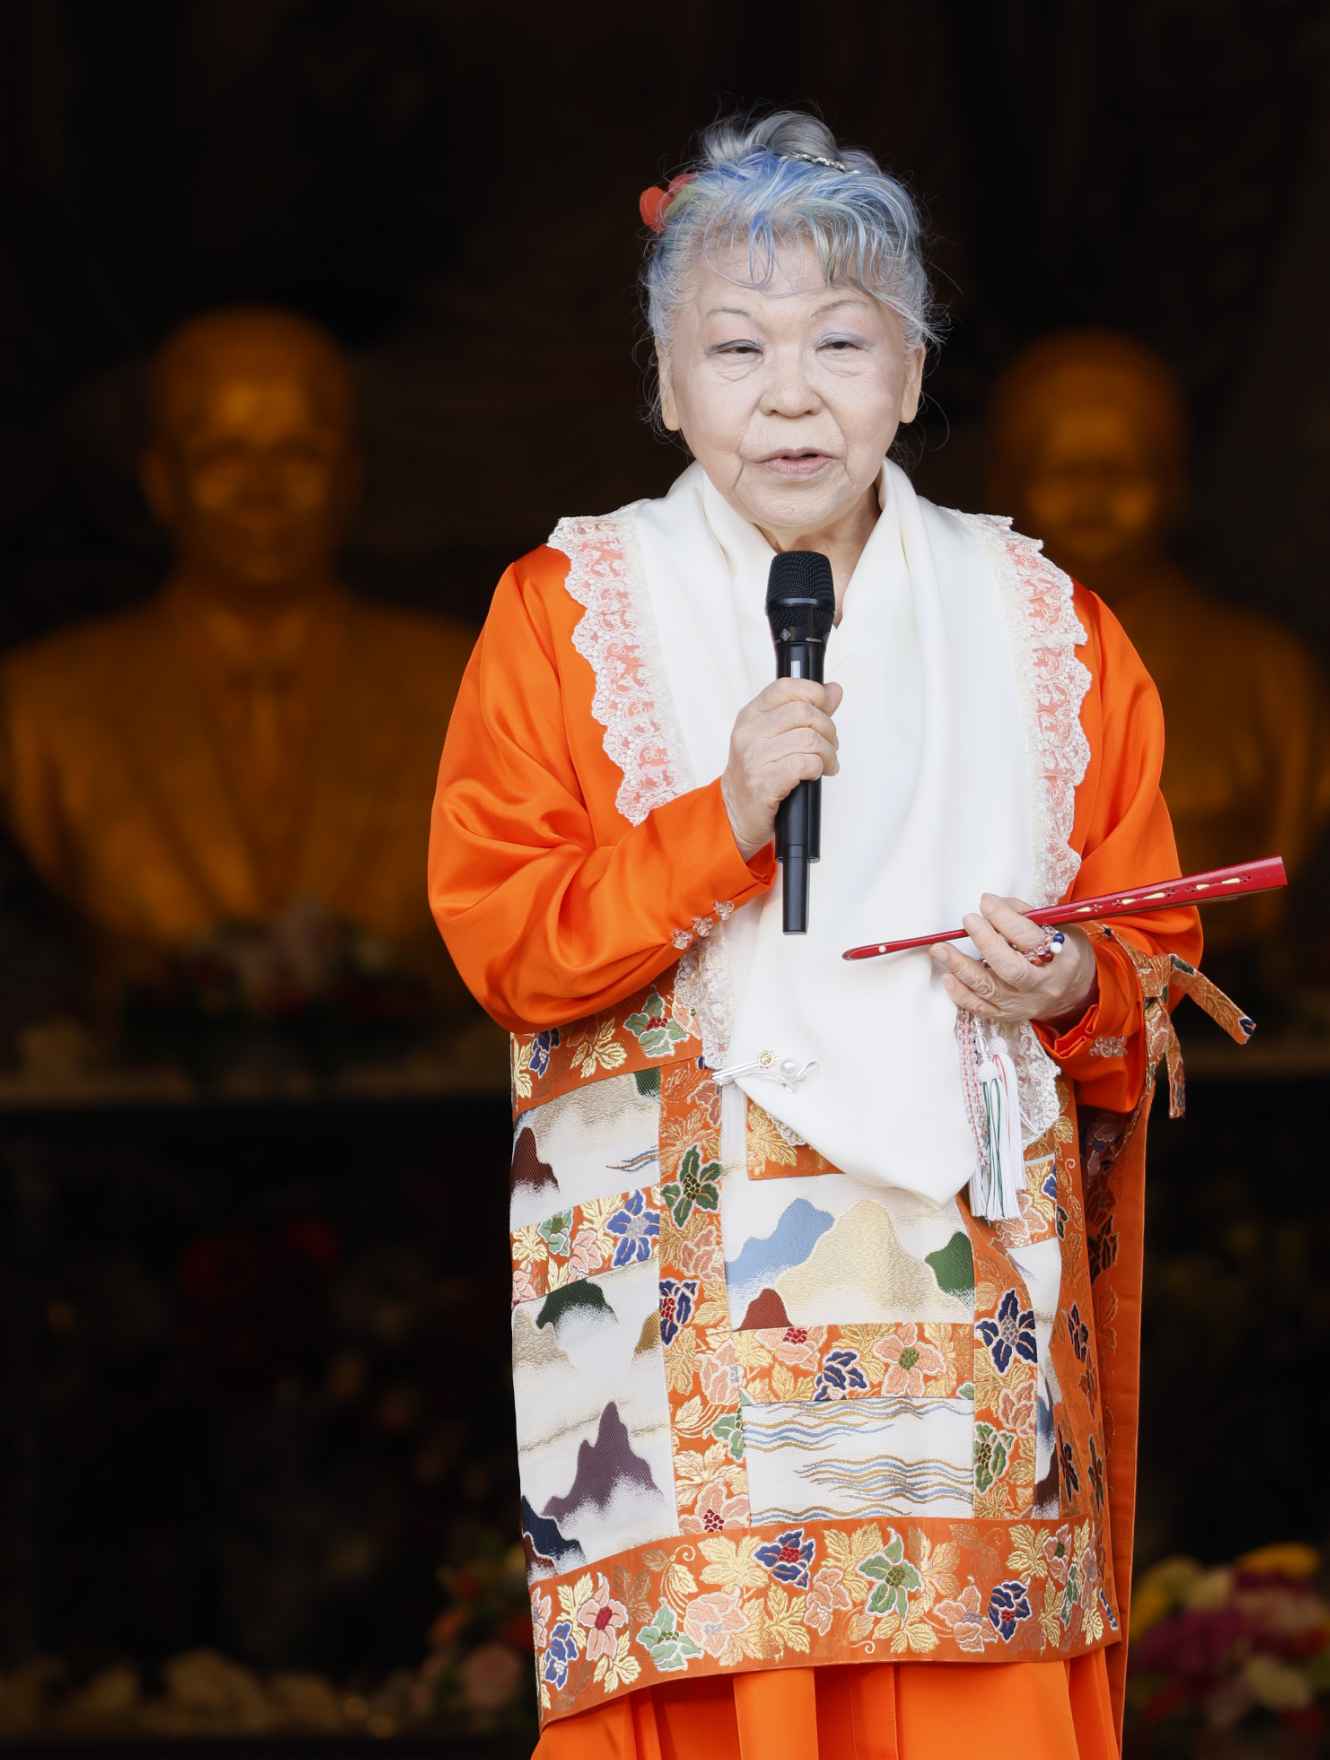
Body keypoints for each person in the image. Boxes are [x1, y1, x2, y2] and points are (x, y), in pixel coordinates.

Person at [430, 112, 1241, 1759]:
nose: (789, 392)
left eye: (840, 343)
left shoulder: (1048, 630)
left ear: (915, 373)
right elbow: (507, 936)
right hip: (681, 1352)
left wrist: (1076, 980)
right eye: (733, 346)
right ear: (663, 385)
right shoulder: (564, 616)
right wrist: (717, 822)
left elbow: (1149, 957)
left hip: (965, 1346)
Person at [2, 308, 473, 986]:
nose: (262, 493)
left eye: (300, 453)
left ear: (349, 478)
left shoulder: (468, 688)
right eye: (222, 456)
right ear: (161, 482)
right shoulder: (34, 708)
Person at [986, 329, 1330, 965]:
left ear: (1176, 485)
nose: (1093, 498)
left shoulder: (1270, 677)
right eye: (1061, 470)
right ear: (1006, 486)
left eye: (1122, 470)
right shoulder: (953, 666)